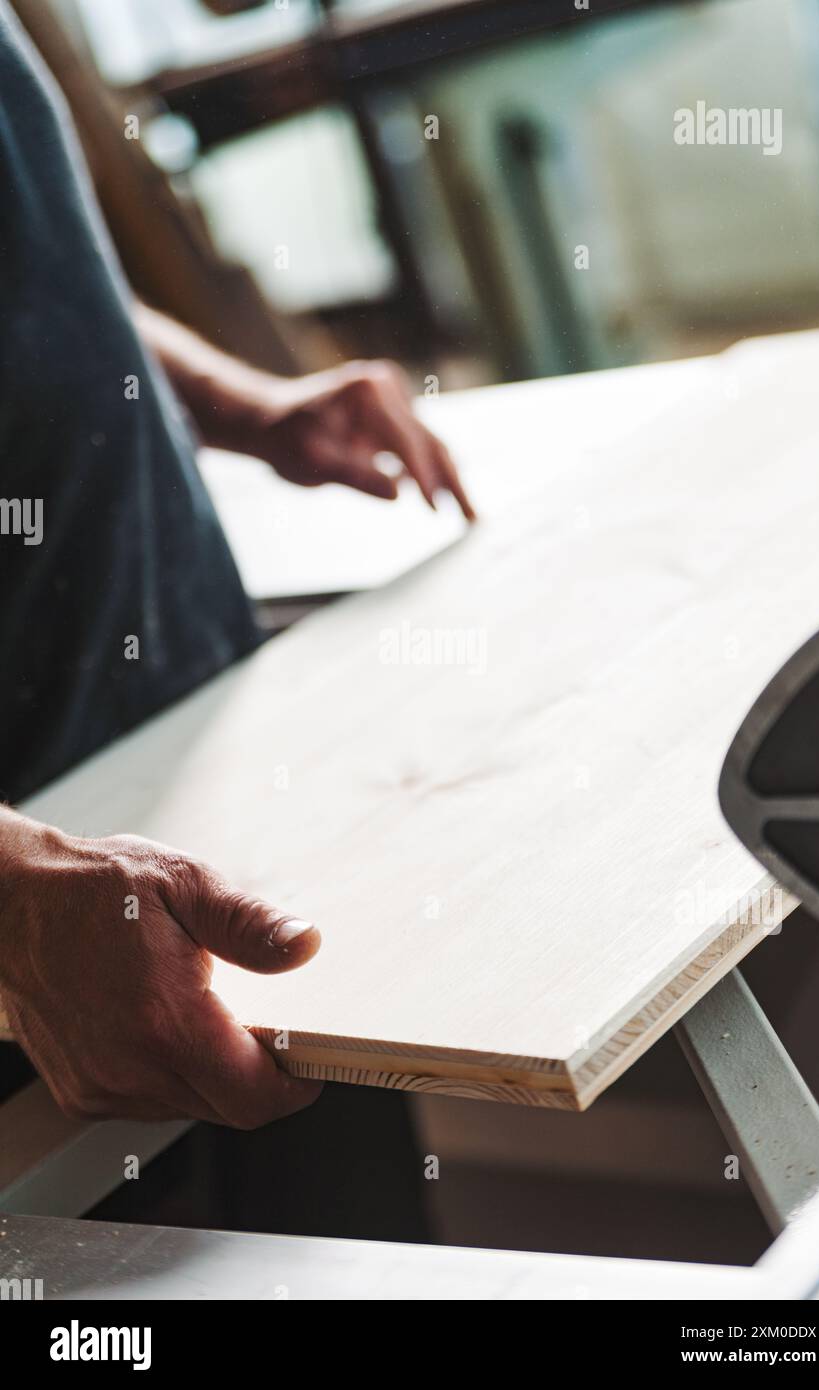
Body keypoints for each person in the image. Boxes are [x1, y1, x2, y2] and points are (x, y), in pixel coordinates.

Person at [0, 1, 473, 1128]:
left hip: (197, 785)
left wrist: (247, 406)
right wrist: (18, 894)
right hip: (44, 961)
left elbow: (35, 272)